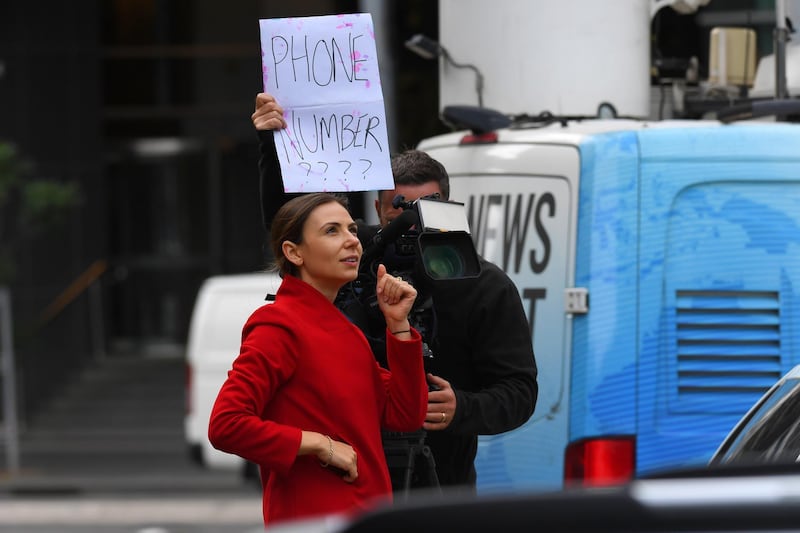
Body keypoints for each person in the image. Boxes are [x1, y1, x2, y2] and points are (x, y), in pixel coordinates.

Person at [252, 92, 538, 490]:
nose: (415, 221)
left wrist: (462, 408)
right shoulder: (354, 257)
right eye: (401, 208)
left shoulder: (482, 284)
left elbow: (519, 390)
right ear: (378, 208)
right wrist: (274, 141)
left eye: (430, 205)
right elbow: (293, 224)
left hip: (442, 482)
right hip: (346, 474)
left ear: (452, 206)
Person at [208, 193, 428, 527]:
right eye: (332, 231)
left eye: (352, 229)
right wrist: (317, 444)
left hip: (366, 515)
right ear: (293, 252)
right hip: (315, 519)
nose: (352, 240)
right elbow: (226, 425)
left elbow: (406, 413)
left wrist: (398, 325)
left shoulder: (346, 331)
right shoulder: (277, 325)